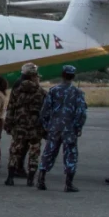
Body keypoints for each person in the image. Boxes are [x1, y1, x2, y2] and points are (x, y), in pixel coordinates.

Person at [37, 64, 88, 192]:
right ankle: (68, 184)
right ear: (73, 76)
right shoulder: (78, 92)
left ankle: (41, 179)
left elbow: (45, 110)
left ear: (62, 75)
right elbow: (81, 112)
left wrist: (46, 125)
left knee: (49, 152)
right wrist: (78, 126)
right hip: (70, 128)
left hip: (54, 127)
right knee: (70, 154)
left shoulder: (53, 90)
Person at [3, 63, 46, 186]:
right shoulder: (42, 92)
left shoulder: (16, 90)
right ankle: (30, 179)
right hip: (35, 128)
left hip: (19, 127)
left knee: (15, 151)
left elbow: (10, 108)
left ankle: (10, 178)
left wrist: (8, 124)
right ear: (34, 76)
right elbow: (46, 111)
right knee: (34, 153)